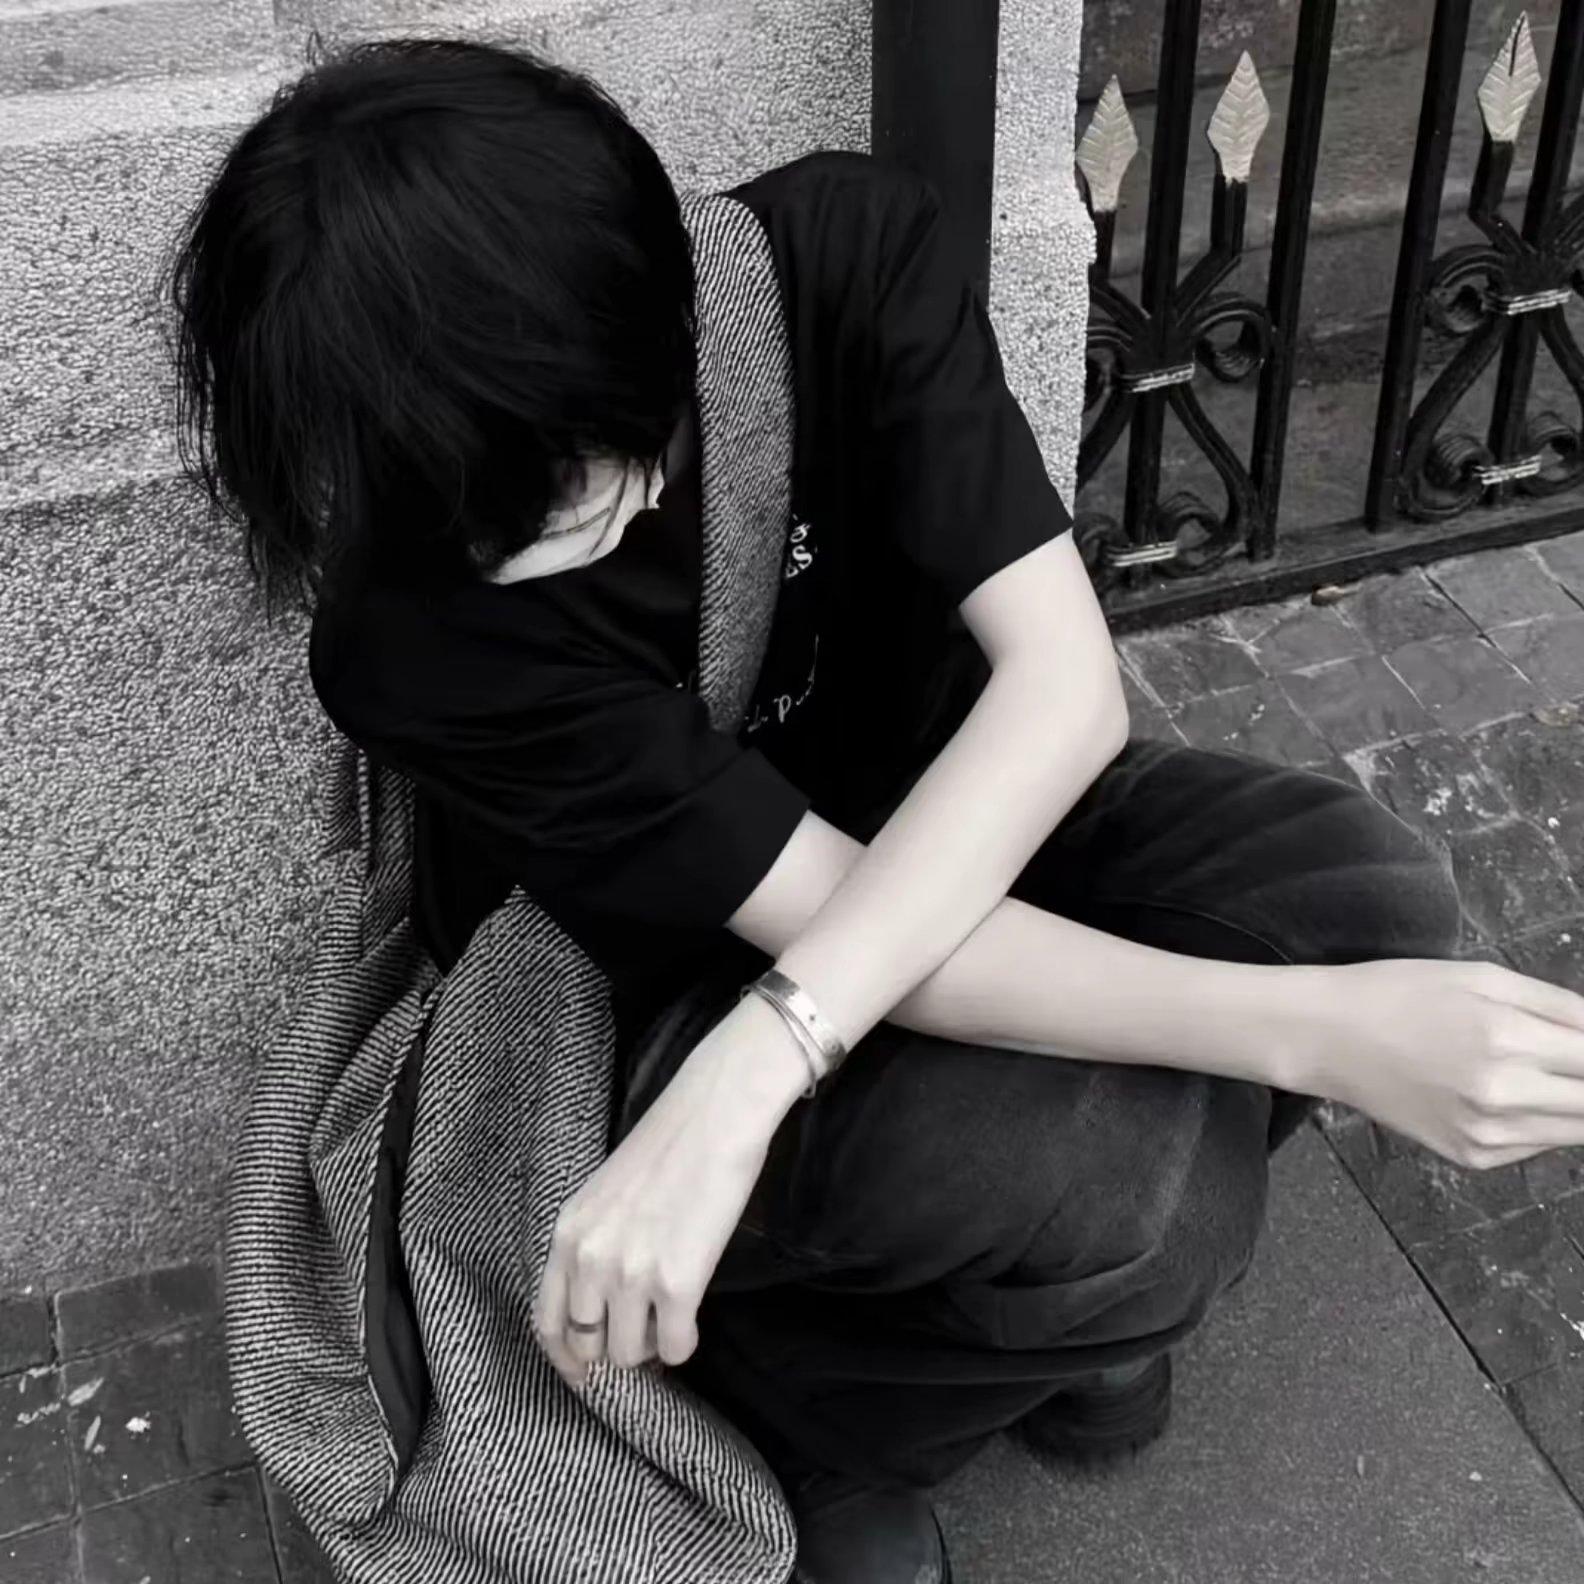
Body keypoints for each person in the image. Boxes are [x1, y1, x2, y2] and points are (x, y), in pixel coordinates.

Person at [166, 37, 1584, 1584]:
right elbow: (830, 910)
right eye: (441, 517)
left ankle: (1045, 1301)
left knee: (1370, 903)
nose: (500, 553)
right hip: (671, 981)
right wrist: (1313, 1037)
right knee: (1153, 1191)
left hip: (934, 822)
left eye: (551, 483)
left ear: (642, 317)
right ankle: (836, 1422)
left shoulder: (835, 258)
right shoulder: (414, 633)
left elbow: (1065, 694)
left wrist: (1332, 1013)